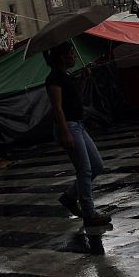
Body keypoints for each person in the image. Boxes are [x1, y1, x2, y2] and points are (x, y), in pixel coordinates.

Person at [44, 42, 111, 227]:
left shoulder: (66, 77)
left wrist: (83, 80)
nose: (74, 56)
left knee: (96, 165)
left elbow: (74, 99)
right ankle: (89, 213)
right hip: (69, 127)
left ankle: (70, 197)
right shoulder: (54, 79)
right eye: (71, 53)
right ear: (63, 57)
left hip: (79, 126)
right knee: (85, 169)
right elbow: (57, 107)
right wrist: (64, 132)